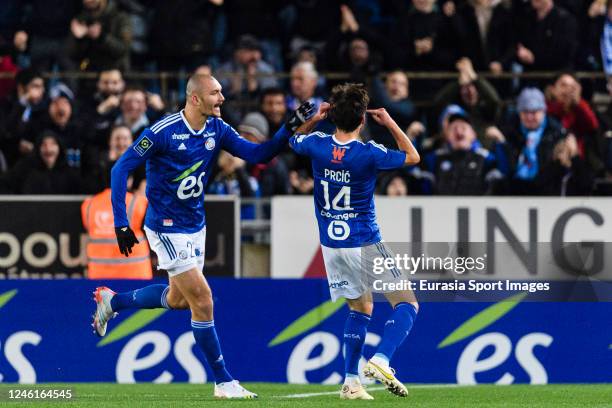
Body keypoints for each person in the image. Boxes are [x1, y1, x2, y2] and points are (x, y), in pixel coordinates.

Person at [91, 73, 315, 398]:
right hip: (165, 226)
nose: (222, 99)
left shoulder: (217, 129)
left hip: (196, 225)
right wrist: (121, 223)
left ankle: (113, 302)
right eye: (215, 93)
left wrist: (288, 128)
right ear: (195, 98)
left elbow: (258, 155)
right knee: (203, 300)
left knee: (178, 299)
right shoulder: (161, 132)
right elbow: (120, 168)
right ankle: (224, 381)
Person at [289, 83, 420, 399]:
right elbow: (412, 156)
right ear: (363, 119)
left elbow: (294, 140)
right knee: (407, 303)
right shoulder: (368, 153)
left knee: (360, 308)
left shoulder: (317, 145)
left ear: (333, 116)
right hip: (364, 240)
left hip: (332, 246)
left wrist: (314, 119)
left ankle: (350, 382)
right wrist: (389, 123)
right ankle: (381, 359)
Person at [81, 170, 151, 279]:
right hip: (136, 277)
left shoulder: (88, 204)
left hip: (99, 279)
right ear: (128, 181)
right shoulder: (139, 202)